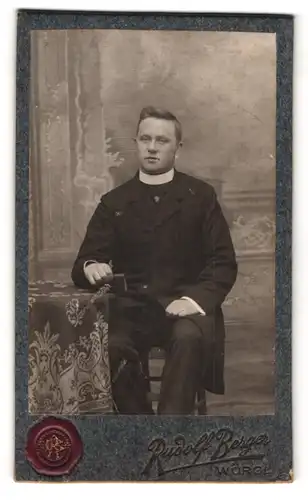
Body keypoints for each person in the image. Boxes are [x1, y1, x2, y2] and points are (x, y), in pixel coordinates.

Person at [71, 106, 238, 415]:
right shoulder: (115, 202)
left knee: (188, 340)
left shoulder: (200, 196)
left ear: (178, 147)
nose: (151, 147)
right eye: (145, 139)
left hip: (185, 307)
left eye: (161, 140)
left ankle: (169, 431)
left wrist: (194, 300)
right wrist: (91, 267)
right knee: (109, 346)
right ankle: (141, 427)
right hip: (132, 310)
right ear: (136, 142)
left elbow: (223, 262)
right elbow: (85, 261)